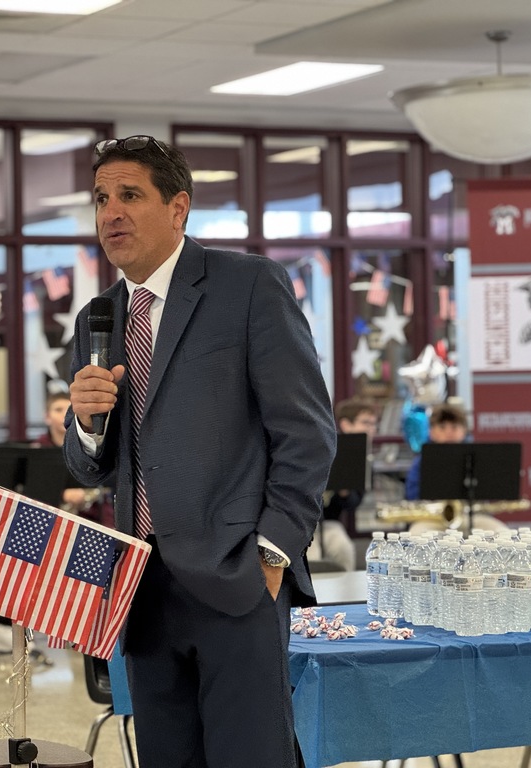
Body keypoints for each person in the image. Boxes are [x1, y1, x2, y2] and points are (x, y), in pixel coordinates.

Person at [64, 135, 336, 768]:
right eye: (102, 199)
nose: (111, 213)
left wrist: (272, 553)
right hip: (143, 590)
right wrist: (85, 422)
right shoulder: (96, 319)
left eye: (130, 195)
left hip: (237, 578)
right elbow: (88, 467)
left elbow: (307, 434)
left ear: (178, 208)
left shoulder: (248, 286)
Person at [404, 402, 509, 534]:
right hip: (433, 519)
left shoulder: (477, 458)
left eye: (454, 427)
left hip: (472, 516)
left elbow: (488, 495)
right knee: (416, 534)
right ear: (431, 432)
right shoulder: (421, 461)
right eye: (442, 427)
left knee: (502, 533)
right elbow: (412, 496)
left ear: (464, 431)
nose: (448, 432)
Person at [307, 397, 378, 571]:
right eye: (366, 423)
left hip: (329, 522)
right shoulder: (322, 447)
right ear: (346, 425)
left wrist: (344, 491)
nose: (372, 429)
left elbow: (353, 504)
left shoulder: (363, 459)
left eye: (374, 424)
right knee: (311, 555)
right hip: (304, 523)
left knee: (343, 548)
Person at [32, 392, 113, 526]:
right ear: (47, 417)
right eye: (58, 410)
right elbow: (33, 489)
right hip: (48, 520)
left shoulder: (89, 445)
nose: (64, 414)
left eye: (69, 409)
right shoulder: (36, 450)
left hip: (90, 521)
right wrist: (62, 494)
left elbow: (104, 493)